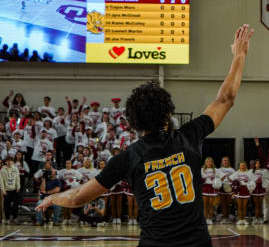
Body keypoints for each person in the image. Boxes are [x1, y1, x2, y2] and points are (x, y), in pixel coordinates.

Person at [35, 24, 254, 247]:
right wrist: (240, 55)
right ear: (168, 113)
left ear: (132, 123)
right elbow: (226, 99)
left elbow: (78, 197)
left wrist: (52, 197)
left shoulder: (128, 158)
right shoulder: (189, 137)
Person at [35, 160, 61, 226]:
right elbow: (42, 189)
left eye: (52, 172)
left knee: (58, 206)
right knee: (39, 204)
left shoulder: (57, 181)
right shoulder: (45, 180)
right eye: (50, 172)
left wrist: (47, 192)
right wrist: (43, 179)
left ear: (55, 173)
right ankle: (39, 221)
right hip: (44, 198)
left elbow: (57, 189)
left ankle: (56, 221)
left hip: (53, 199)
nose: (51, 173)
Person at [1, 156, 21, 224]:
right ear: (6, 162)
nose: (9, 162)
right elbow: (1, 181)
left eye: (10, 161)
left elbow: (17, 178)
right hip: (6, 190)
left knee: (15, 206)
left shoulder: (15, 169)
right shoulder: (2, 170)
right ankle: (7, 219)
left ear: (13, 162)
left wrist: (18, 186)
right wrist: (3, 190)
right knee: (6, 206)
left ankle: (15, 218)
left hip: (15, 190)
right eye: (8, 160)